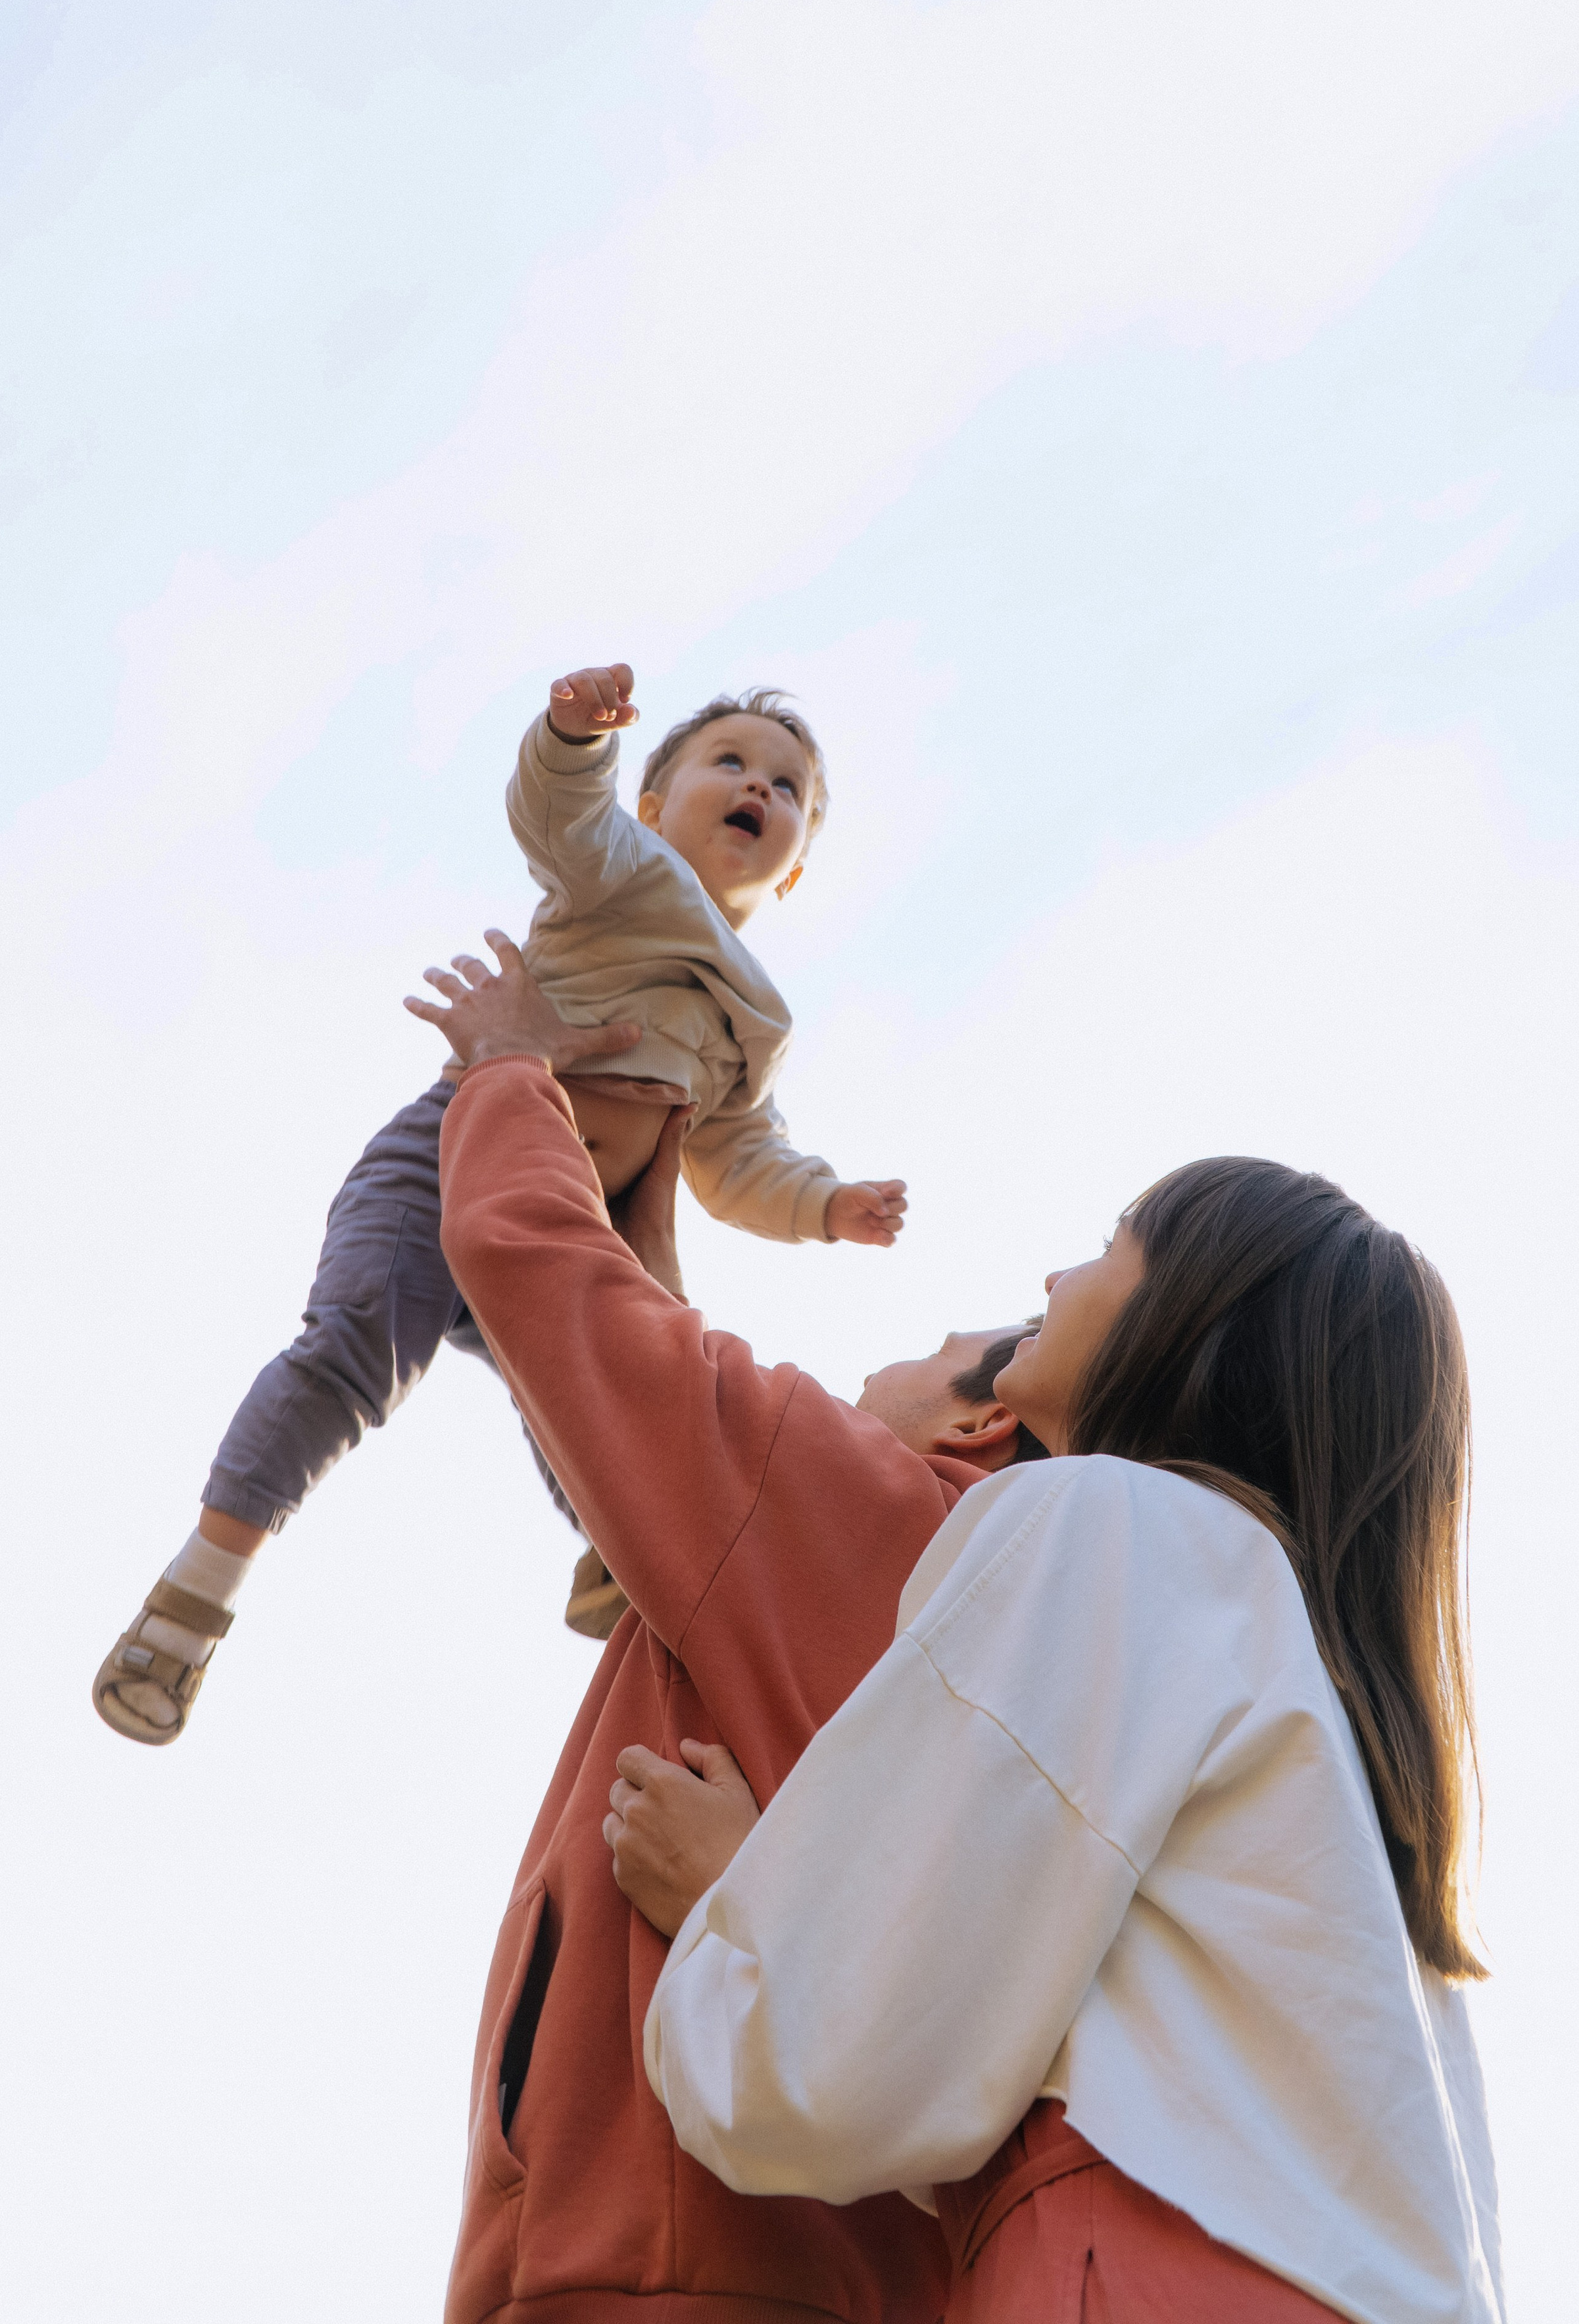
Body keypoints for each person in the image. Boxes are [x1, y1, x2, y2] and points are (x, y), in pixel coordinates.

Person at [627, 1159, 1503, 2323]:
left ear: (1195, 1315)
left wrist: (736, 1910)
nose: (1055, 1274)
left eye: (1111, 1241)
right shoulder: (1338, 1740)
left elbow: (830, 2070)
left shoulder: (1109, 1524)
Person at [393, 939, 1043, 2324]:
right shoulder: (1013, 1624)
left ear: (979, 1423)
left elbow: (544, 1274)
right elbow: (666, 1390)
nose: (888, 1359)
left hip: (652, 2263)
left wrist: (507, 1068)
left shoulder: (882, 1517)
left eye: (933, 1346)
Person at [93, 664, 908, 1745]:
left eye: (789, 785)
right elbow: (564, 820)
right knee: (355, 1353)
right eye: (731, 761)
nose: (761, 785)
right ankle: (195, 1596)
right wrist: (574, 742)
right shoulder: (624, 875)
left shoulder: (753, 1019)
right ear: (655, 811)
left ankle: (624, 1566)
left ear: (796, 871)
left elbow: (739, 1153)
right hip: (452, 1162)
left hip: (571, 1227)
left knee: (623, 1399)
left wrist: (828, 1203)